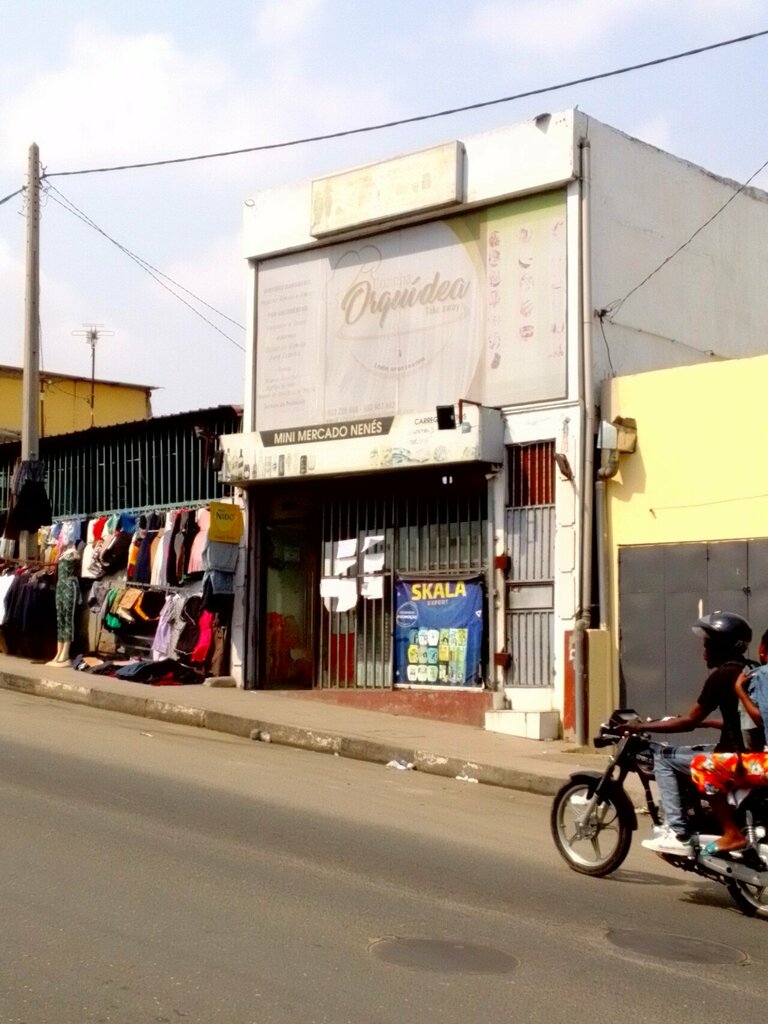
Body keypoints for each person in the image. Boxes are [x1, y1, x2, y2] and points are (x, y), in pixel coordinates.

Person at [622, 610, 751, 855]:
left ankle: (677, 832)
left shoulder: (722, 675)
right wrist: (709, 723)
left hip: (734, 757)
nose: (704, 651)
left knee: (664, 757)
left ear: (721, 646)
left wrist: (640, 726)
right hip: (749, 753)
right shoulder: (749, 669)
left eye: (708, 644)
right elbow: (742, 721)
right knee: (694, 752)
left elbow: (689, 722)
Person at [689, 628, 768, 854]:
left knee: (702, 766)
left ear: (763, 649)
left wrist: (739, 691)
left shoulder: (763, 674)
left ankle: (731, 834)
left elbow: (760, 719)